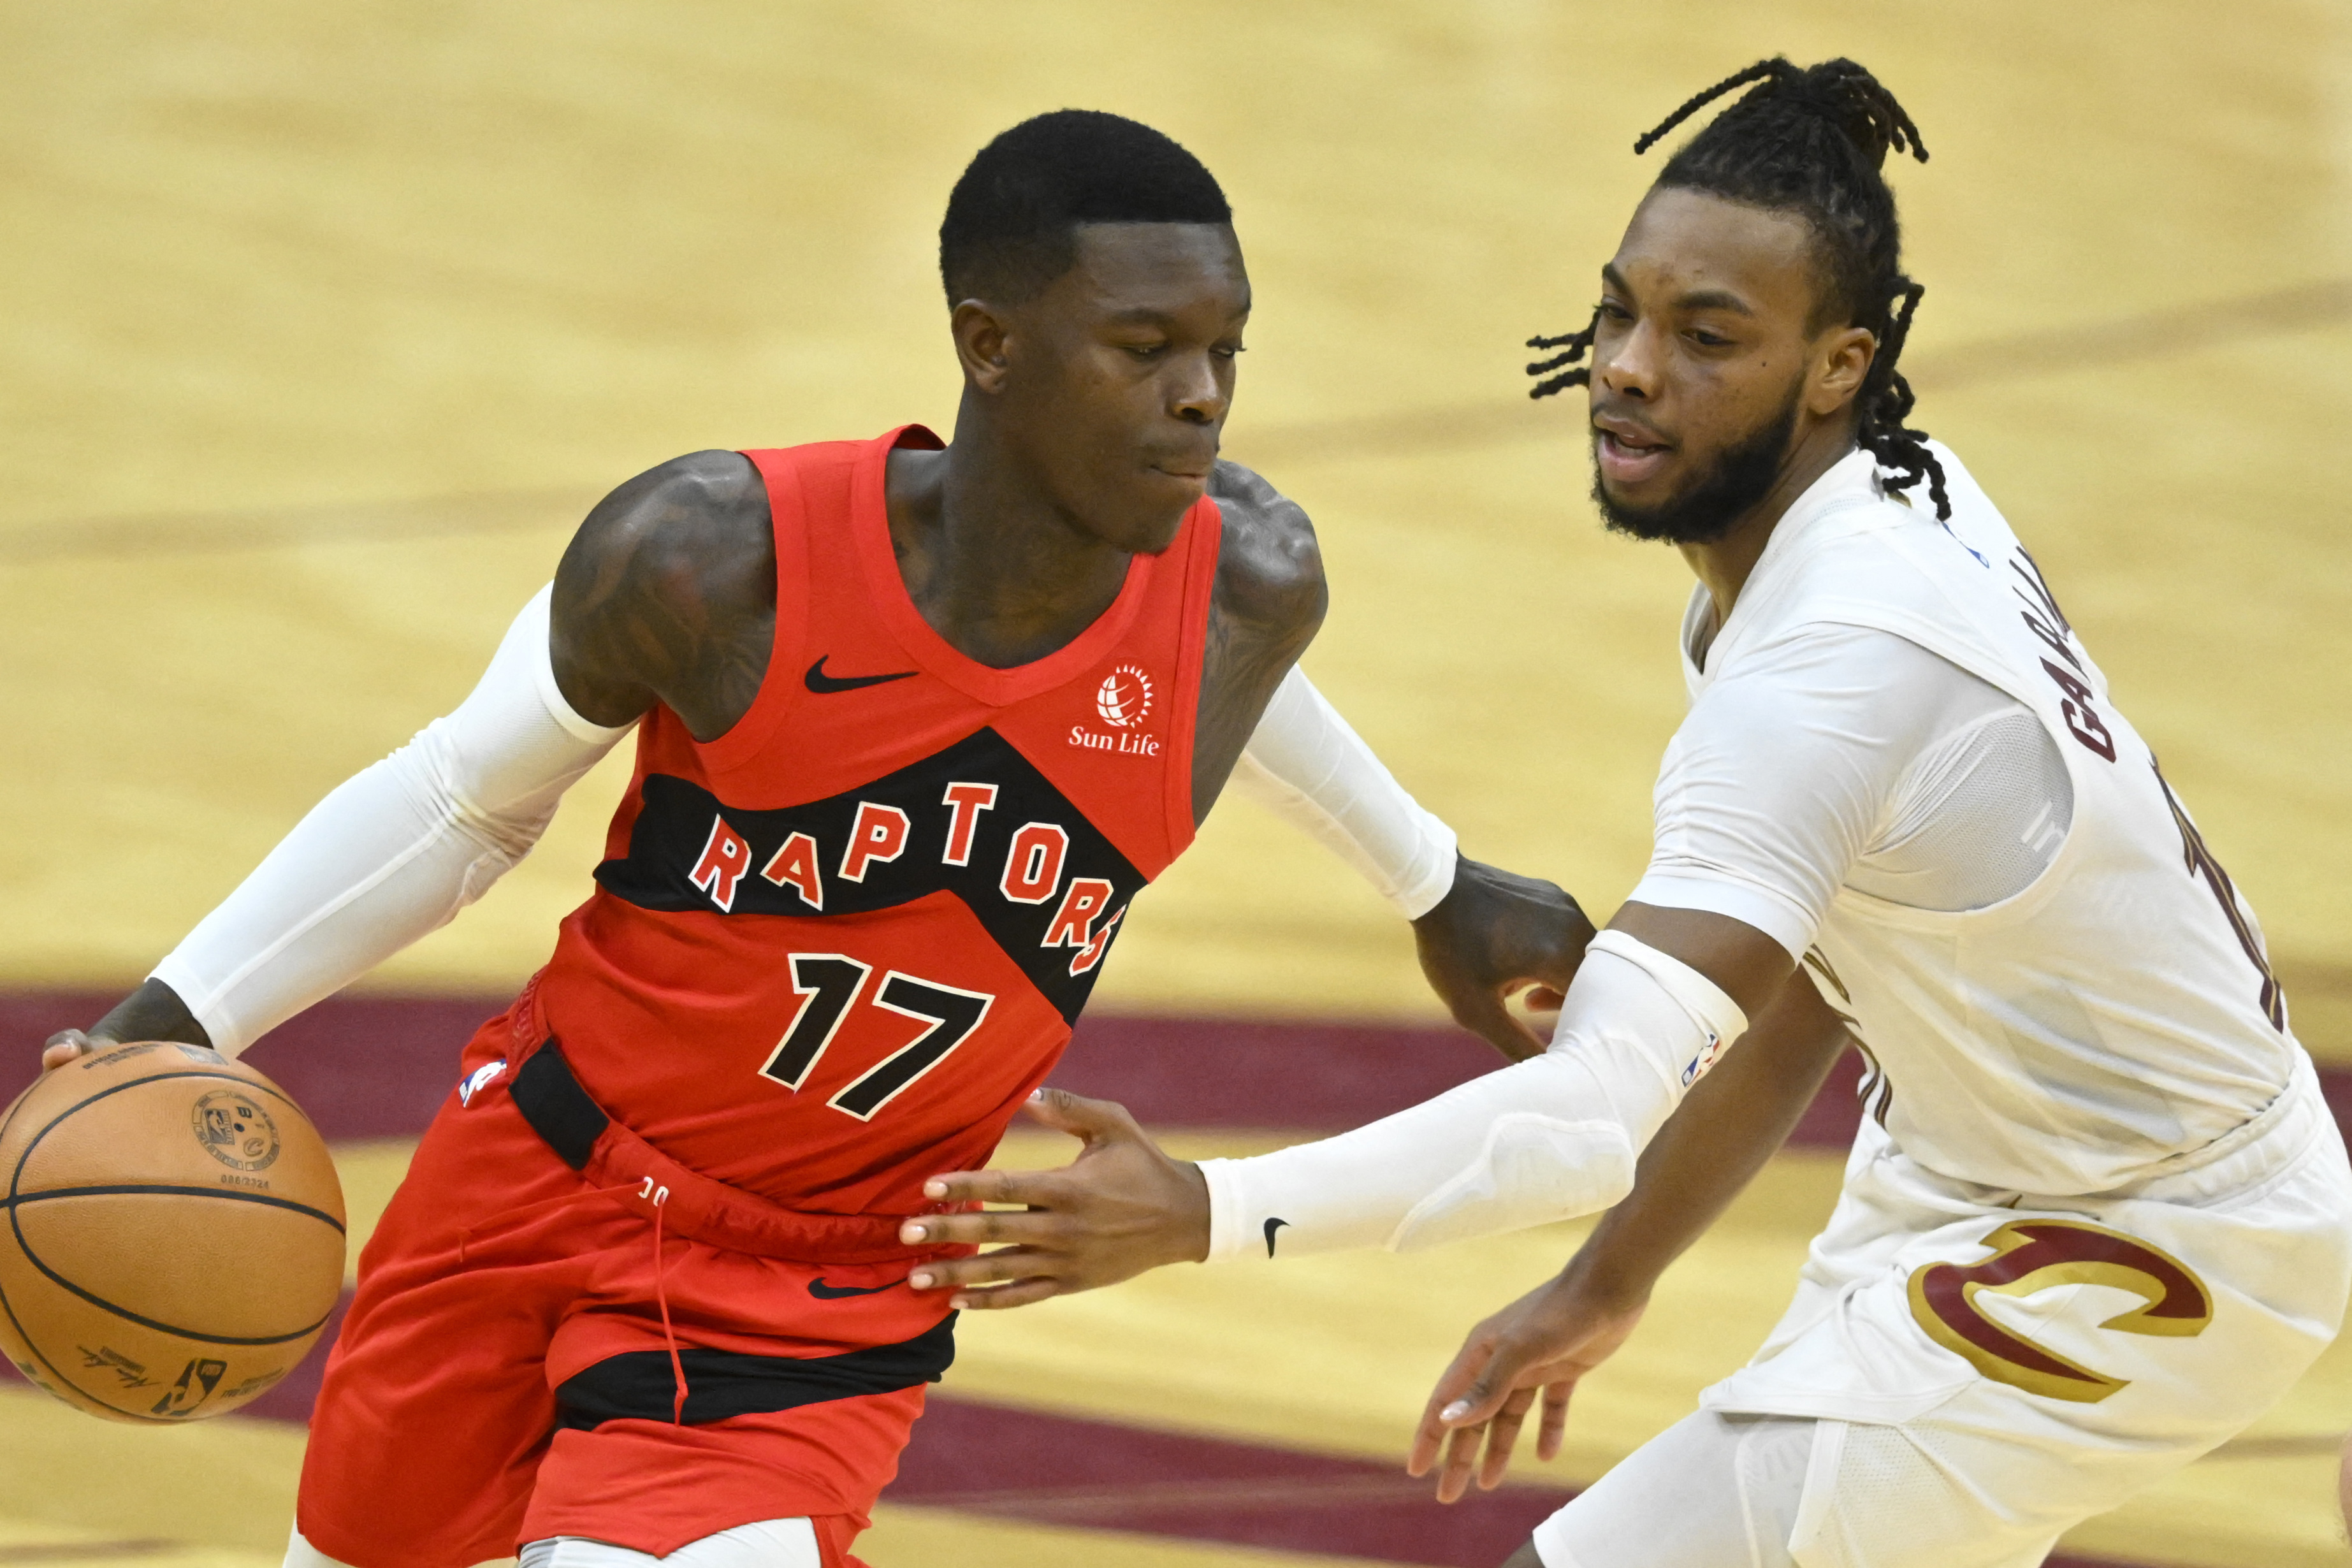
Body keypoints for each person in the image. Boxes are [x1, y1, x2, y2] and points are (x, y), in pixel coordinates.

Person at [38, 111, 1590, 1568]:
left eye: (1222, 350)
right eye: (1144, 348)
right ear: (990, 346)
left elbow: (1228, 687)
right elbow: (461, 803)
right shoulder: (714, 563)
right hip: (538, 1178)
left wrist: (1433, 882)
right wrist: (162, 1026)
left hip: (818, 1287)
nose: (1203, 395)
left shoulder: (1248, 583)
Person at [897, 62, 2352, 1568]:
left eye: (1707, 337)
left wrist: (1201, 1208)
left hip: (2150, 1243)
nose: (1631, 368)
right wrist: (1612, 1278)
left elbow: (1587, 1114)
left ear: (1842, 365)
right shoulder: (1871, 516)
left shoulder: (1836, 665)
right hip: (1976, 1168)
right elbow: (1808, 968)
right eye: (1619, 315)